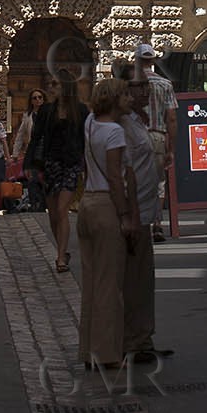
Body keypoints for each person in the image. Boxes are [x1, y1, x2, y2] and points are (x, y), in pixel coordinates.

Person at [79, 77, 137, 371]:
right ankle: (107, 353)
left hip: (86, 203)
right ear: (114, 100)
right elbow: (116, 177)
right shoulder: (114, 132)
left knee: (90, 283)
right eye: (125, 95)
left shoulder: (89, 122)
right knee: (108, 284)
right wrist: (126, 215)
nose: (130, 99)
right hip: (105, 206)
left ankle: (88, 349)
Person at [118, 66, 173, 364]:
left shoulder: (138, 120)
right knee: (133, 279)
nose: (145, 90)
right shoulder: (121, 125)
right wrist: (130, 214)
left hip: (145, 212)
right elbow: (122, 173)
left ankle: (142, 338)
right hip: (135, 212)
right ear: (124, 91)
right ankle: (133, 339)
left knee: (143, 278)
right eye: (138, 86)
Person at [31, 72, 88, 272]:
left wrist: (87, 167)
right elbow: (36, 138)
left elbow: (85, 140)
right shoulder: (47, 111)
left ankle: (60, 257)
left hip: (71, 164)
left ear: (66, 86)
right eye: (50, 84)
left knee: (62, 210)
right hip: (51, 163)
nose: (51, 87)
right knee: (53, 213)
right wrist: (30, 165)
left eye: (55, 84)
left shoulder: (80, 111)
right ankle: (62, 250)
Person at [134, 42, 177, 242]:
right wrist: (171, 148)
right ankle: (157, 224)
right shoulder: (165, 84)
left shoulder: (130, 85)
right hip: (157, 135)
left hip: (135, 137)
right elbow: (171, 118)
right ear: (152, 60)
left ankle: (141, 222)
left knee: (137, 180)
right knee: (159, 182)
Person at [13, 86, 47, 211]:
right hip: (33, 152)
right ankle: (35, 206)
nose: (38, 100)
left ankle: (44, 204)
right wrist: (15, 153)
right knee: (32, 180)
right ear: (31, 101)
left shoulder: (49, 113)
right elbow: (20, 135)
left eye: (40, 97)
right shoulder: (28, 116)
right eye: (35, 98)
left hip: (46, 152)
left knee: (46, 180)